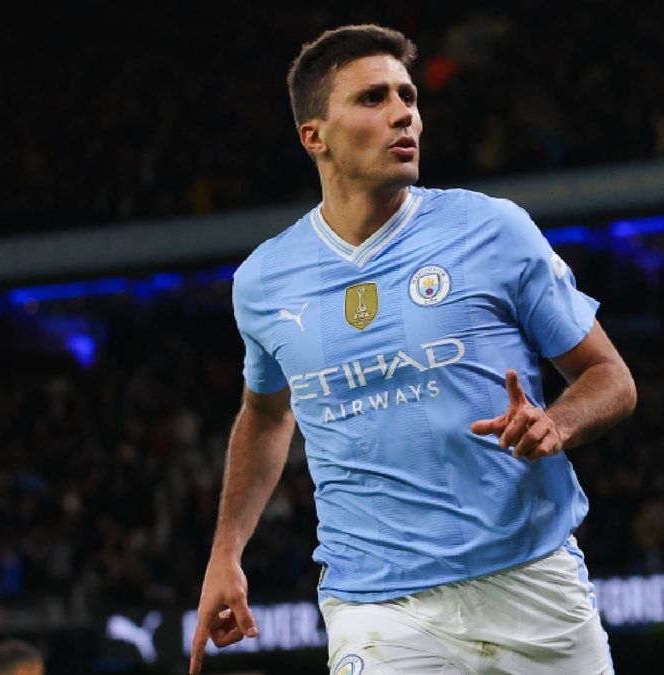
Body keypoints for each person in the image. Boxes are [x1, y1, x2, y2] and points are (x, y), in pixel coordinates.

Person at [189, 24, 636, 675]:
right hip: (378, 605)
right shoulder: (264, 280)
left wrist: (557, 421)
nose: (405, 113)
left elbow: (611, 376)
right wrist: (225, 551)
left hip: (532, 584)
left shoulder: (492, 229)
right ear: (314, 135)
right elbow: (265, 413)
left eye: (408, 95)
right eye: (373, 98)